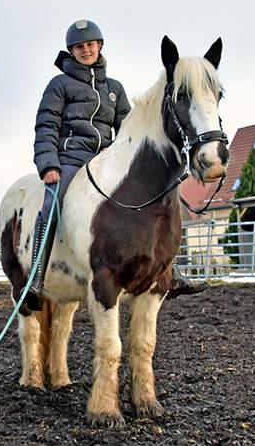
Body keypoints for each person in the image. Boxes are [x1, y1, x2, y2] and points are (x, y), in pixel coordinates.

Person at [26, 19, 206, 302]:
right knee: (52, 203)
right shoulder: (59, 85)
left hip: (107, 160)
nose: (86, 50)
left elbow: (128, 128)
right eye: (79, 47)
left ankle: (169, 270)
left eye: (90, 44)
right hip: (72, 159)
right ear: (71, 51)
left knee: (160, 197)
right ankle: (36, 277)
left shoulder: (114, 88)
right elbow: (46, 126)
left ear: (99, 46)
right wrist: (48, 164)